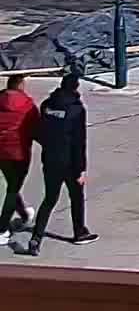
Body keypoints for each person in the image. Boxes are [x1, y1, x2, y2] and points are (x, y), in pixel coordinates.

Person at [21, 71, 93, 254]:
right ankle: (79, 232)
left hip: (50, 160)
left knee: (49, 199)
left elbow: (39, 130)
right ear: (76, 87)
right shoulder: (77, 110)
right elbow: (79, 142)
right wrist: (81, 170)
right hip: (69, 163)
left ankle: (36, 238)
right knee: (76, 197)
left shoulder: (46, 105)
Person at [0, 74, 35, 237]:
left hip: (2, 153)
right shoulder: (27, 105)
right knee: (13, 188)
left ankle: (23, 214)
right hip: (20, 153)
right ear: (20, 86)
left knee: (12, 185)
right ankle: (2, 228)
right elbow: (36, 127)